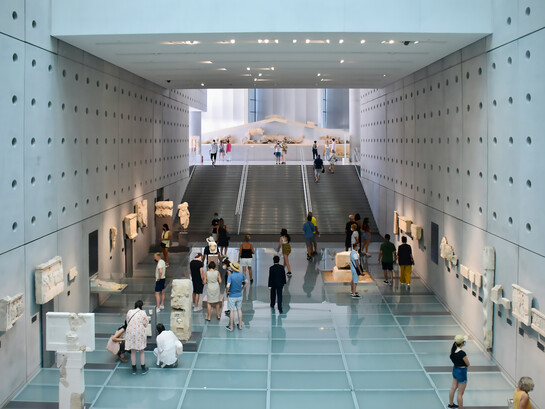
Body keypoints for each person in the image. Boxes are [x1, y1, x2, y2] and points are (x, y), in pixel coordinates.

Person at [125, 300, 149, 375]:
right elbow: (146, 323)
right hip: (139, 333)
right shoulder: (143, 312)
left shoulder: (129, 311)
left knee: (133, 351)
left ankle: (134, 369)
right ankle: (143, 368)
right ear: (141, 306)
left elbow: (127, 321)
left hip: (130, 333)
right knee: (141, 350)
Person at [448, 334, 470, 409]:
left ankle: (451, 404)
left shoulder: (453, 351)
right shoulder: (462, 353)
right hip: (462, 372)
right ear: (461, 343)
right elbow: (468, 363)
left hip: (455, 370)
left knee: (453, 387)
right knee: (460, 393)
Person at [225, 262, 247, 331]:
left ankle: (231, 326)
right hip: (239, 295)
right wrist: (242, 288)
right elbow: (247, 282)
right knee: (239, 310)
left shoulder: (231, 276)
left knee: (232, 311)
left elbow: (228, 285)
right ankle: (240, 325)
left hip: (232, 295)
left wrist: (227, 291)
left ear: (233, 268)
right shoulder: (241, 275)